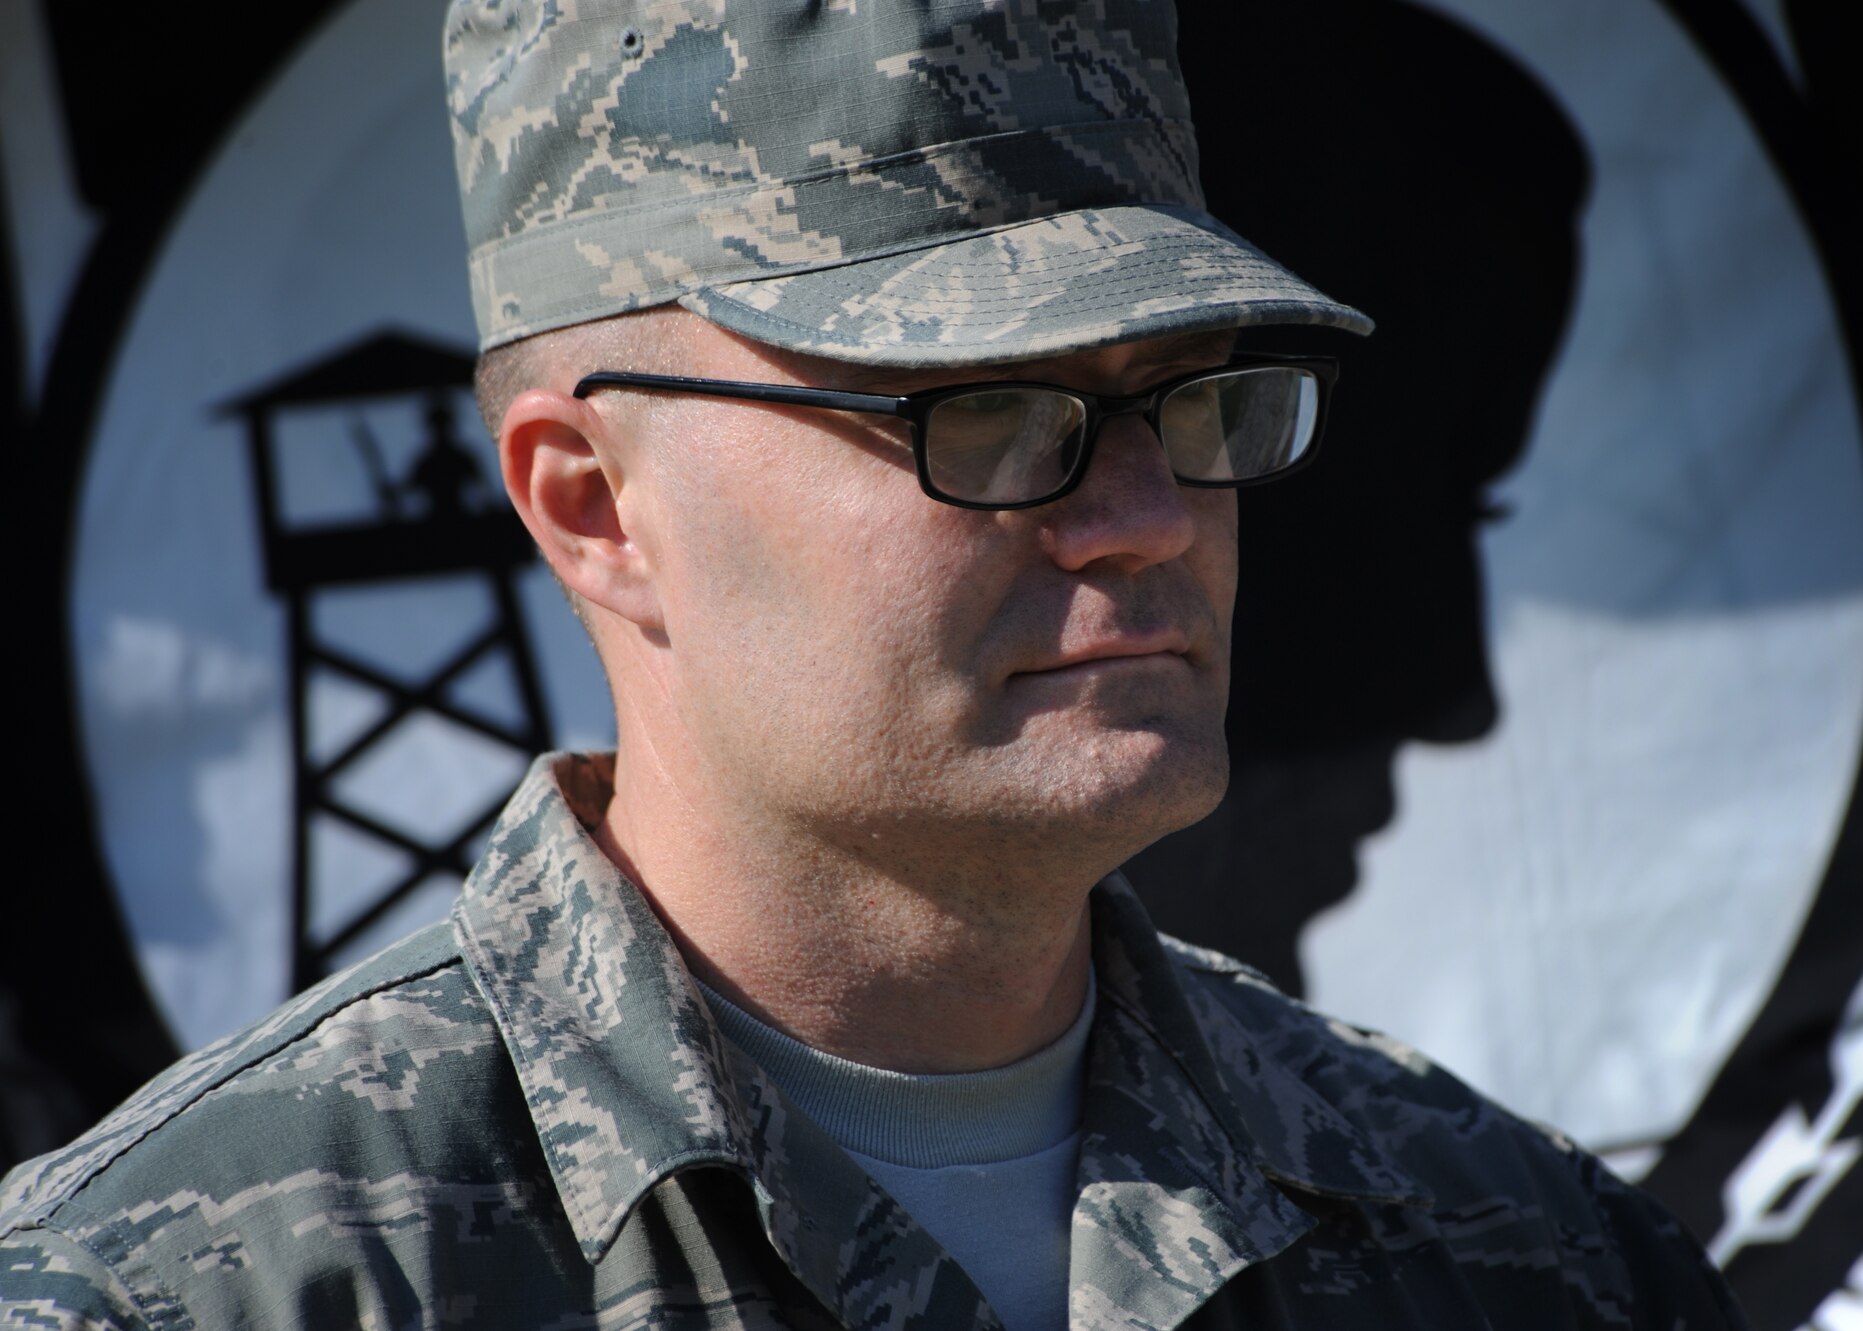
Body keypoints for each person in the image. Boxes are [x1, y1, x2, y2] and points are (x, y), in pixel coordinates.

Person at [0, 2, 1745, 1327]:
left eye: (1192, 395)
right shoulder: (199, 1285)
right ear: (595, 504)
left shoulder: (1527, 1254)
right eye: (983, 412)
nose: (1144, 512)